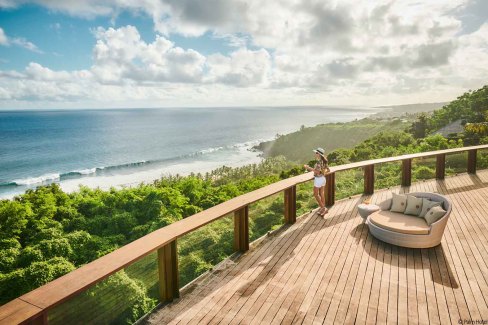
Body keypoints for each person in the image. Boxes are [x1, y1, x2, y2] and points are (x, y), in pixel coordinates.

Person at [304, 147, 330, 216]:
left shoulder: (319, 162)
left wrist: (308, 168)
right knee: (321, 194)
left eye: (316, 153)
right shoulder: (324, 161)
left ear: (319, 154)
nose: (315, 154)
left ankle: (324, 208)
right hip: (323, 179)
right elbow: (328, 170)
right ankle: (322, 209)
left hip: (318, 180)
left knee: (316, 194)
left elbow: (317, 172)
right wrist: (323, 173)